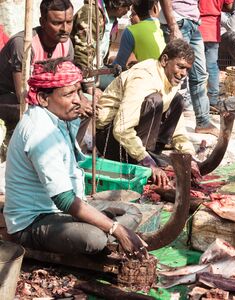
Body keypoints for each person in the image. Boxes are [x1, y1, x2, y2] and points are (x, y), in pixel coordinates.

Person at [4, 58, 148, 259]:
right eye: (69, 94)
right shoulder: (40, 132)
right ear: (44, 98)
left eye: (79, 91)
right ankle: (102, 233)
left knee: (132, 213)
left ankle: (99, 229)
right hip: (35, 221)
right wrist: (116, 229)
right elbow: (64, 200)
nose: (78, 100)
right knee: (95, 238)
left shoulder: (58, 117)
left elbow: (71, 154)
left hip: (64, 210)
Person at [96, 39, 197, 188]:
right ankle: (140, 159)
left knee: (177, 100)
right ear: (164, 60)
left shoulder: (172, 78)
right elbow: (122, 129)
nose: (183, 74)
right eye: (180, 67)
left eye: (187, 69)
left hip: (134, 136)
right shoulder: (143, 77)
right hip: (109, 139)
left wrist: (189, 156)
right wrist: (146, 160)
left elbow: (178, 128)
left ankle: (150, 154)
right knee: (154, 101)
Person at [0, 0, 77, 127]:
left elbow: (67, 84)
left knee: (84, 109)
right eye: (57, 23)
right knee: (37, 113)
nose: (65, 29)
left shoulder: (67, 45)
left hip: (43, 96)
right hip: (8, 97)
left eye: (69, 22)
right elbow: (23, 95)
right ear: (43, 22)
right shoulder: (24, 44)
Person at [159, 0, 219, 136]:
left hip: (192, 23)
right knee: (174, 77)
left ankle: (203, 122)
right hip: (178, 22)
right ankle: (165, 130)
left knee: (199, 75)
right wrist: (173, 26)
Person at [71, 0, 132, 92]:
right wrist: (89, 85)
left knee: (129, 79)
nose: (128, 10)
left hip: (97, 68)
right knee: (123, 88)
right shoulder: (91, 13)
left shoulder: (110, 19)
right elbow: (82, 51)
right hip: (83, 72)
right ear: (119, 4)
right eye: (127, 7)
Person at [199, 0, 234, 107]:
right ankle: (213, 98)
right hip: (212, 29)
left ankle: (194, 98)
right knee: (212, 66)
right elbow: (229, 7)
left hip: (196, 27)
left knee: (194, 65)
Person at [113, 0, 166, 70]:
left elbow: (119, 64)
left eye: (132, 14)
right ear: (155, 8)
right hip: (162, 73)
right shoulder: (157, 24)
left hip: (147, 75)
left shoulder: (130, 31)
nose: (130, 18)